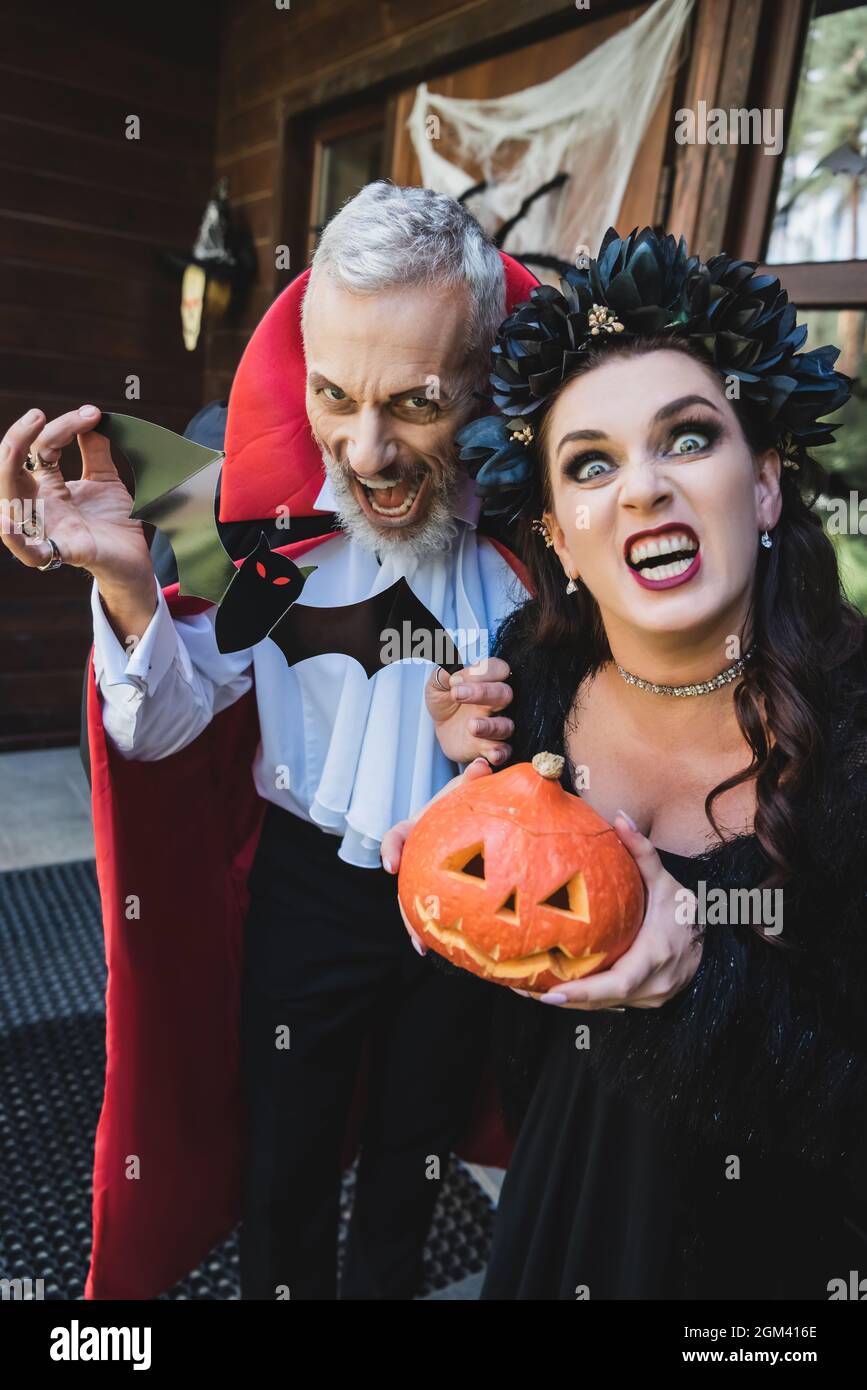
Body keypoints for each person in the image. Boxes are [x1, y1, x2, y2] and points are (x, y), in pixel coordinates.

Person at [0, 182, 529, 1300]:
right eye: (334, 393)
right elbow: (165, 727)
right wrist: (135, 588)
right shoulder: (263, 532)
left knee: (415, 1155)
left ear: (484, 379)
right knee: (283, 1156)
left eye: (416, 403)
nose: (368, 448)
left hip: (474, 895)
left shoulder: (537, 539)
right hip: (307, 892)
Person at [383, 226, 867, 1299]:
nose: (641, 489)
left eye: (687, 439)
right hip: (558, 1212)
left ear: (770, 485)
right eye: (592, 462)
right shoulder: (525, 682)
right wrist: (448, 861)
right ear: (557, 533)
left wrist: (695, 986)